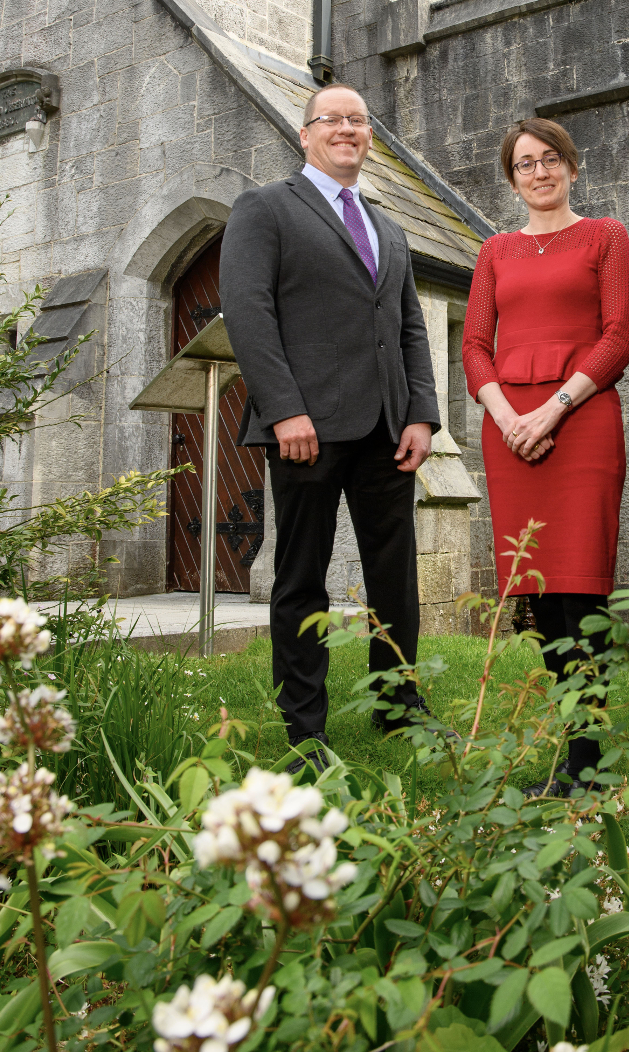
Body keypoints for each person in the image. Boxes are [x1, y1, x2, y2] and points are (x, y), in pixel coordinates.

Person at [220, 83, 440, 768]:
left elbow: (409, 325)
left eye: (359, 120)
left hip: (387, 430)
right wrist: (284, 408)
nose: (347, 129)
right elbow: (248, 311)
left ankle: (398, 705)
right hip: (305, 429)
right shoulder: (265, 209)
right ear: (306, 133)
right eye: (332, 120)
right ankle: (305, 727)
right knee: (301, 575)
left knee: (394, 575)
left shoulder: (389, 225)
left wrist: (422, 414)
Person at [462, 117, 629, 793]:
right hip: (510, 437)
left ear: (572, 165)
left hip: (583, 422)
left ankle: (589, 762)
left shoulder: (605, 236)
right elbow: (476, 345)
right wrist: (508, 416)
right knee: (537, 593)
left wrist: (552, 409)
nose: (539, 172)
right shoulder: (495, 250)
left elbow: (618, 336)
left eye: (549, 160)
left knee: (582, 587)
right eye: (524, 165)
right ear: (512, 179)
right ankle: (571, 753)